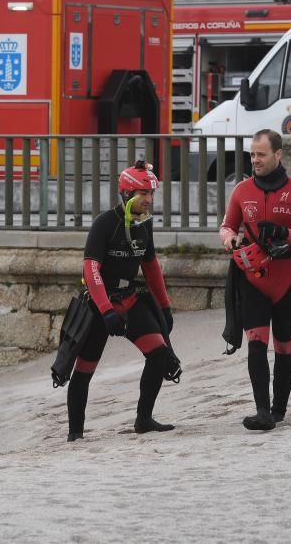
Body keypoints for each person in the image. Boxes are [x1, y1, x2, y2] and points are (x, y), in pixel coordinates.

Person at [67, 160, 177, 441]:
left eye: (152, 194)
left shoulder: (144, 226)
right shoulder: (104, 223)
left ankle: (143, 419)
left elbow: (151, 268)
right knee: (84, 370)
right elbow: (90, 270)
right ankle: (75, 434)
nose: (149, 200)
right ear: (127, 194)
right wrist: (105, 310)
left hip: (128, 299)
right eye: (144, 194)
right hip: (98, 305)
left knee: (158, 353)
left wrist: (164, 307)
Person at [220, 129, 291, 430]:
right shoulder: (241, 191)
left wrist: (282, 233)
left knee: (284, 346)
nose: (255, 160)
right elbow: (227, 226)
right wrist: (229, 241)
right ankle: (262, 411)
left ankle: (278, 409)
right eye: (252, 154)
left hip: (287, 280)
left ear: (278, 155)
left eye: (261, 154)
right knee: (255, 343)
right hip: (253, 280)